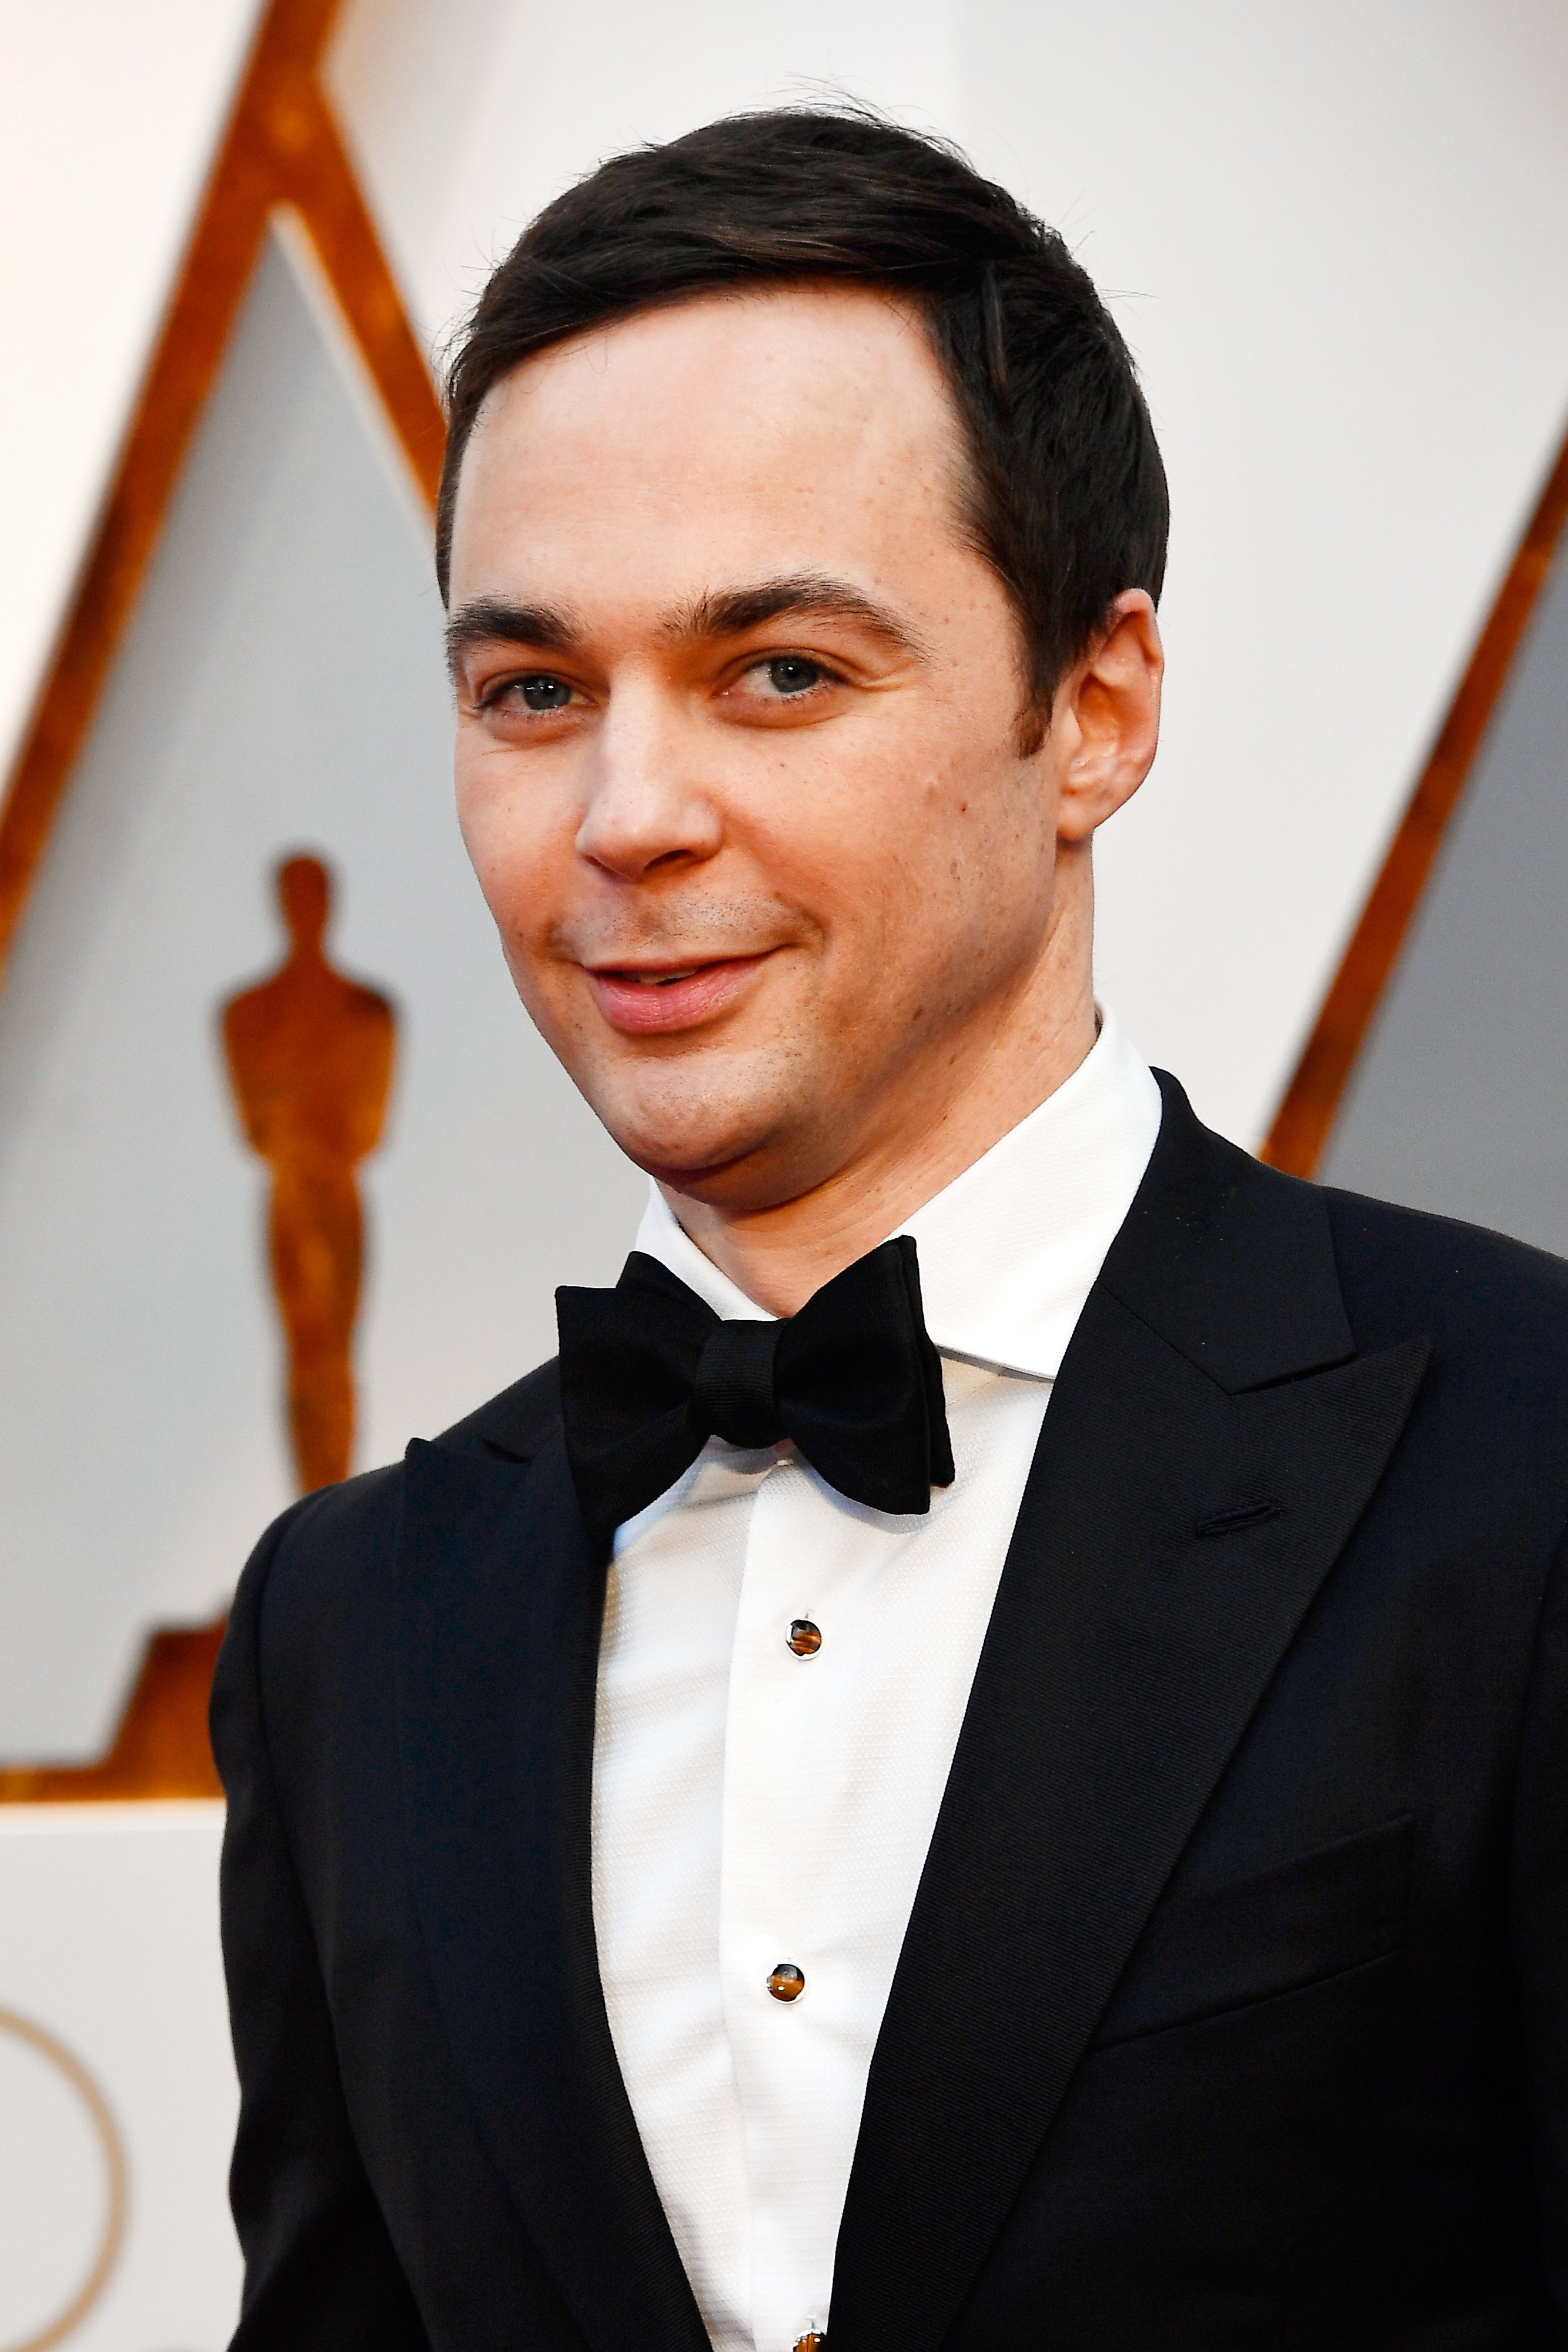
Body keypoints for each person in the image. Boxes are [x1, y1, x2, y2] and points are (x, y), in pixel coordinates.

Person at [211, 111, 1568, 2352]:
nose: (627, 817)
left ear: (1096, 711)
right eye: (532, 691)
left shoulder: (1520, 1463)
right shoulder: (351, 1623)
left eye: (778, 673)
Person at [222, 853, 397, 1492]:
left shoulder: (369, 1013)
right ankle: (314, 1506)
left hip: (331, 1191)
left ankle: (331, 1502)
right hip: (296, 1192)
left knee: (334, 1353)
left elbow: (369, 1129)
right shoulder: (247, 1015)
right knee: (307, 1348)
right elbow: (257, 1132)